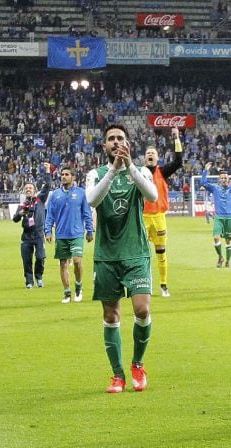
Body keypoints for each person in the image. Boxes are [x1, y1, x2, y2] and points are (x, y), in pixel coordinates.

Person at [85, 124, 158, 393]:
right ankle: (117, 375)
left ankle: (137, 364)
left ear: (128, 143)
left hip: (136, 252)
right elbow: (92, 201)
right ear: (104, 145)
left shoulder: (141, 171)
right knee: (111, 313)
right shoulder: (96, 173)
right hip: (107, 255)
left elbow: (152, 195)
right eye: (111, 139)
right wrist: (114, 169)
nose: (116, 142)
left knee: (142, 309)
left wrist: (128, 167)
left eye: (120, 138)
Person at [143, 127, 183, 297]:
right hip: (142, 218)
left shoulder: (163, 172)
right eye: (148, 153)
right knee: (141, 253)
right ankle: (144, 284)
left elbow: (179, 162)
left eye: (153, 152)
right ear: (144, 158)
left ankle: (164, 285)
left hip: (159, 217)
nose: (150, 154)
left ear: (157, 157)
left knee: (160, 251)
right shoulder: (139, 173)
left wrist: (176, 139)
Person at [44, 166, 94, 304]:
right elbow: (50, 215)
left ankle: (78, 286)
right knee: (63, 264)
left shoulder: (81, 193)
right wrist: (47, 231)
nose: (63, 176)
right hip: (61, 235)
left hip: (77, 234)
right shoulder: (55, 194)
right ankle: (67, 293)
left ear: (73, 177)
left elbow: (87, 213)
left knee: (77, 261)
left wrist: (89, 230)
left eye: (67, 174)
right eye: (62, 174)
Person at [200, 161, 231, 268]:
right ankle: (220, 257)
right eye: (222, 178)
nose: (224, 179)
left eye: (225, 178)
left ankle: (228, 261)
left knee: (228, 241)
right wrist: (206, 170)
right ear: (219, 179)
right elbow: (203, 182)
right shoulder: (215, 188)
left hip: (229, 218)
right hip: (219, 217)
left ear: (228, 179)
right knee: (216, 238)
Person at [13, 181, 48, 289]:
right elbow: (15, 219)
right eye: (26, 188)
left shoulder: (40, 200)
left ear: (35, 191)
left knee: (40, 257)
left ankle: (39, 276)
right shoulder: (23, 205)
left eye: (30, 188)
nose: (28, 189)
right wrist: (20, 214)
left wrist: (47, 171)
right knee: (26, 259)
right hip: (26, 235)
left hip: (38, 234)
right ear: (24, 191)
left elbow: (47, 186)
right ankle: (29, 281)